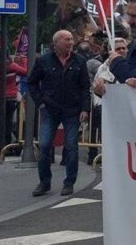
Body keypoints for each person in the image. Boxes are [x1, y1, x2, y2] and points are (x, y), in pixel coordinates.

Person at [28, 31, 90, 196]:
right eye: (66, 39)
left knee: (71, 147)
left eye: (71, 39)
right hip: (50, 109)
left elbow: (85, 87)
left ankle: (69, 182)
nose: (70, 42)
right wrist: (40, 102)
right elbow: (32, 83)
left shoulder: (79, 61)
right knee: (45, 145)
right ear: (56, 43)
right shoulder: (43, 61)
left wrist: (85, 109)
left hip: (72, 110)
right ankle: (44, 182)